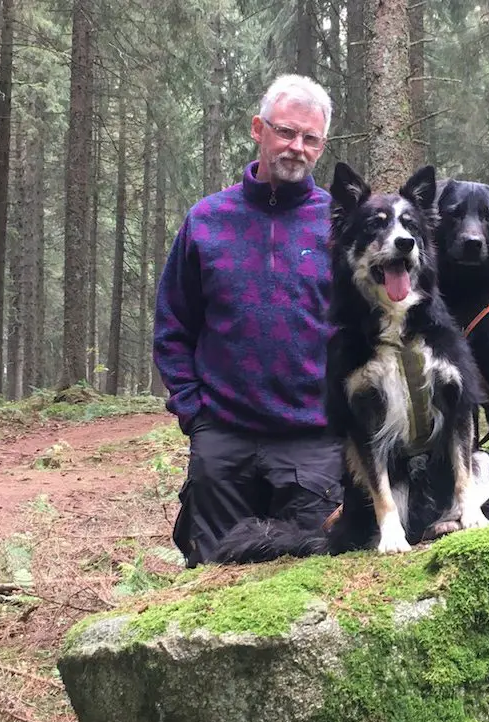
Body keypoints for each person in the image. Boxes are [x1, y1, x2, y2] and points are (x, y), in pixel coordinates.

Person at [153, 74, 343, 567]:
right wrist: (195, 415)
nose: (296, 147)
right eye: (285, 132)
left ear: (321, 146)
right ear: (258, 129)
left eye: (310, 139)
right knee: (212, 582)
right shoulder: (206, 221)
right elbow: (173, 325)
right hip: (224, 438)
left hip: (314, 441)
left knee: (310, 581)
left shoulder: (343, 225)